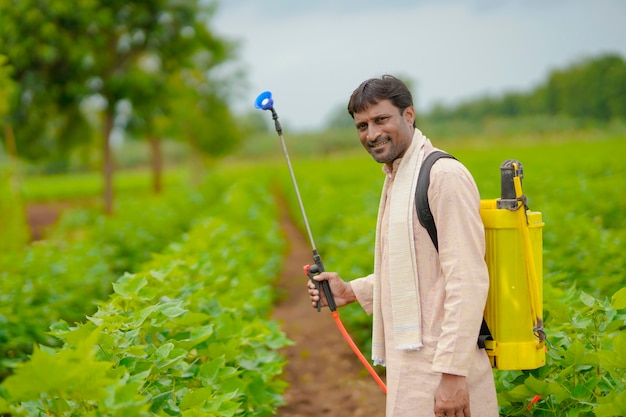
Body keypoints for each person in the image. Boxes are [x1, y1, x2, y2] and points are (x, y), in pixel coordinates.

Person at [307, 75, 498, 417]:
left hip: (443, 369)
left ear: (408, 115)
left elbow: (467, 279)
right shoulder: (396, 176)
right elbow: (419, 272)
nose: (371, 134)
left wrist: (453, 376)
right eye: (362, 125)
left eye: (381, 120)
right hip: (411, 366)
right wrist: (350, 290)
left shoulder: (442, 177)